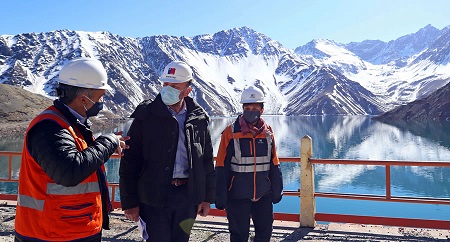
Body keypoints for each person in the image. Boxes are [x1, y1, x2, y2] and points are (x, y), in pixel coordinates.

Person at [14, 58, 129, 242]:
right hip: (49, 233)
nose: (102, 103)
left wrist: (104, 149)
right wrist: (108, 141)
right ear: (83, 99)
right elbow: (69, 171)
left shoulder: (71, 123)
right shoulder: (49, 128)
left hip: (71, 228)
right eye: (100, 98)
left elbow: (79, 157)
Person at [119, 60, 215, 242]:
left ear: (188, 90)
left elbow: (206, 161)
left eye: (174, 86)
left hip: (187, 198)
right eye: (165, 84)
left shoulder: (198, 118)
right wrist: (130, 202)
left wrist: (206, 198)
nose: (167, 89)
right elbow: (130, 161)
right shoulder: (145, 115)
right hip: (153, 197)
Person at [215, 86, 283, 242]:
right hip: (237, 197)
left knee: (264, 235)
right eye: (247, 107)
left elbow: (274, 162)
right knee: (239, 236)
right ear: (243, 108)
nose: (251, 110)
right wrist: (220, 196)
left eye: (255, 107)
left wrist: (277, 189)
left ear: (262, 109)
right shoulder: (230, 133)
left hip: (263, 196)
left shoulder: (268, 133)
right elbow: (221, 166)